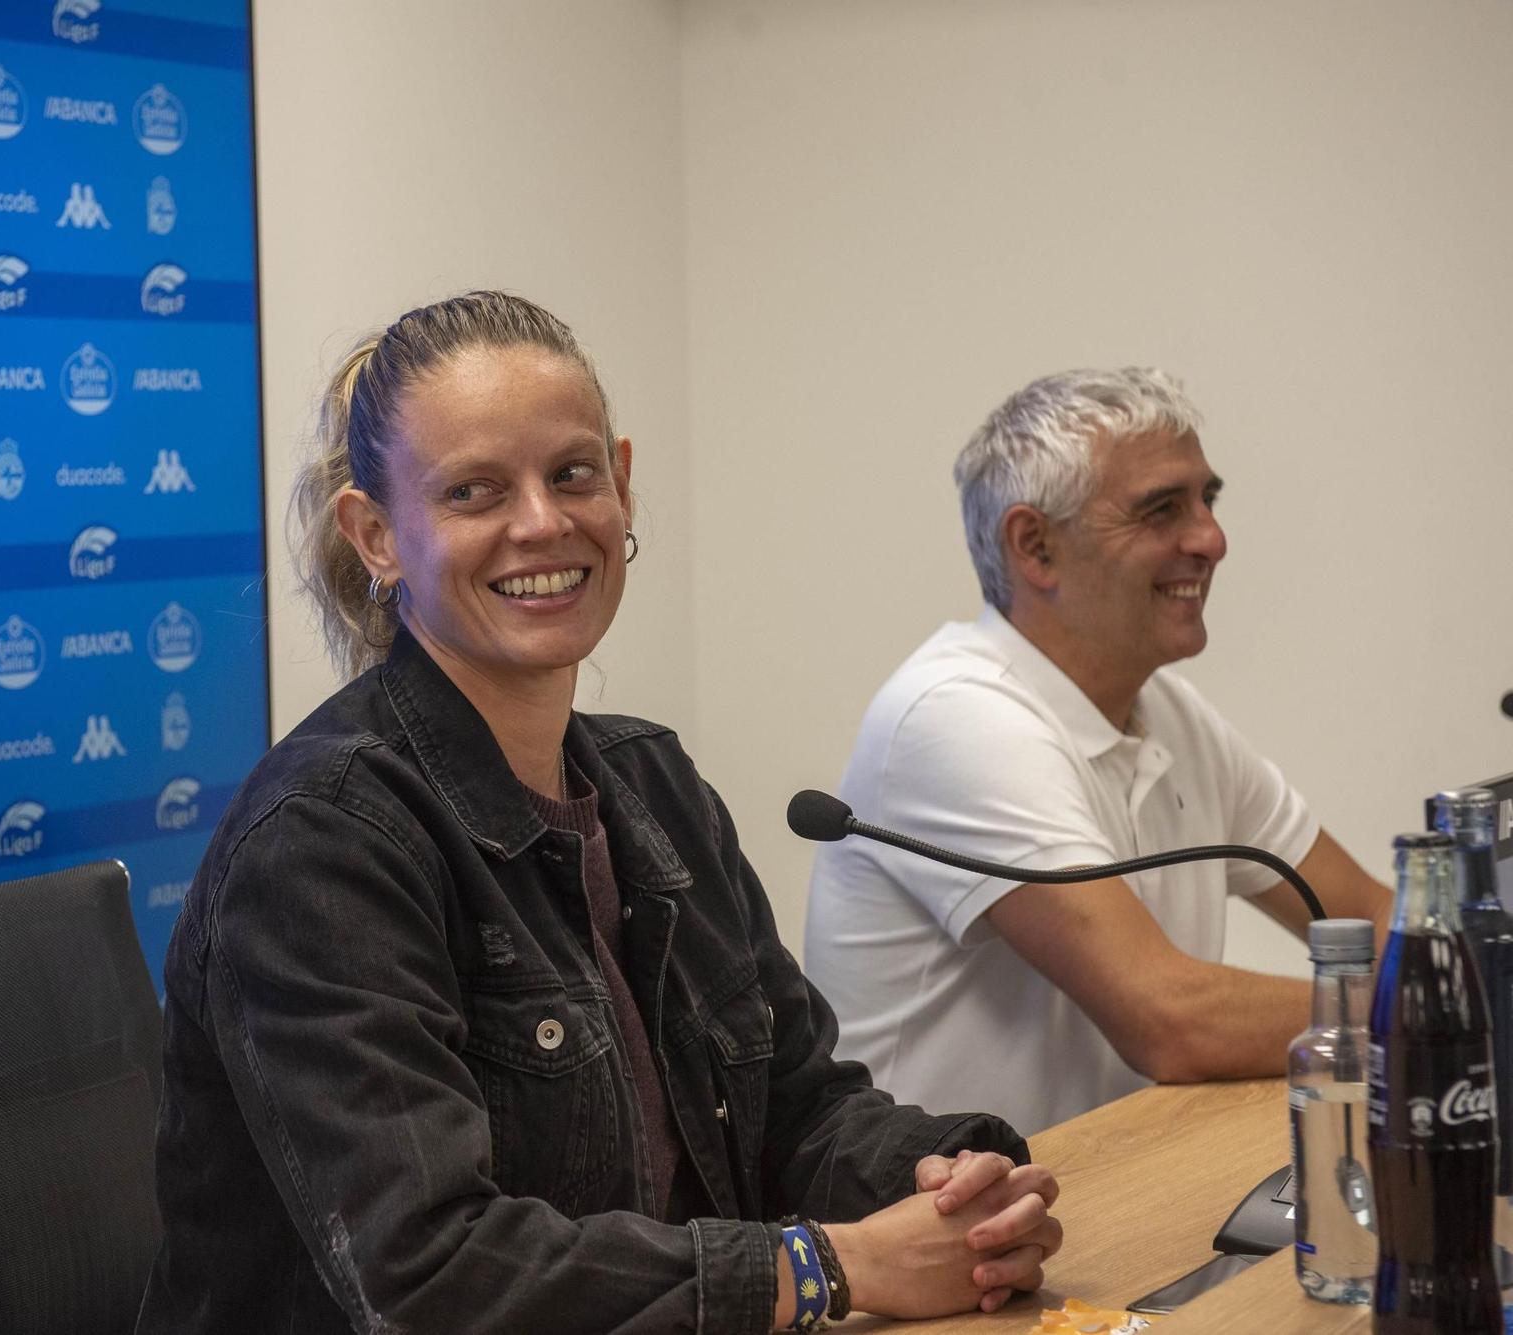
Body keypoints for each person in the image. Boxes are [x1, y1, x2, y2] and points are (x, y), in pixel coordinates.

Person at [136, 293, 1063, 1333]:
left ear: (620, 487)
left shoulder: (650, 783)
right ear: (376, 536)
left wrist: (951, 1184)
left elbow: (796, 1111)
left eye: (571, 475)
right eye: (472, 490)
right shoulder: (321, 841)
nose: (541, 522)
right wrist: (826, 1269)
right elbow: (429, 1276)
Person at [803, 368, 1394, 1136]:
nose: (1211, 539)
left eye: (1207, 500)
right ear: (1036, 546)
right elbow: (1169, 1019)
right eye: (1161, 509)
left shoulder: (1169, 711)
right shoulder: (953, 714)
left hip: (1125, 1189)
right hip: (956, 1228)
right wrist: (1422, 1012)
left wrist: (1465, 976)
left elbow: (1375, 915)